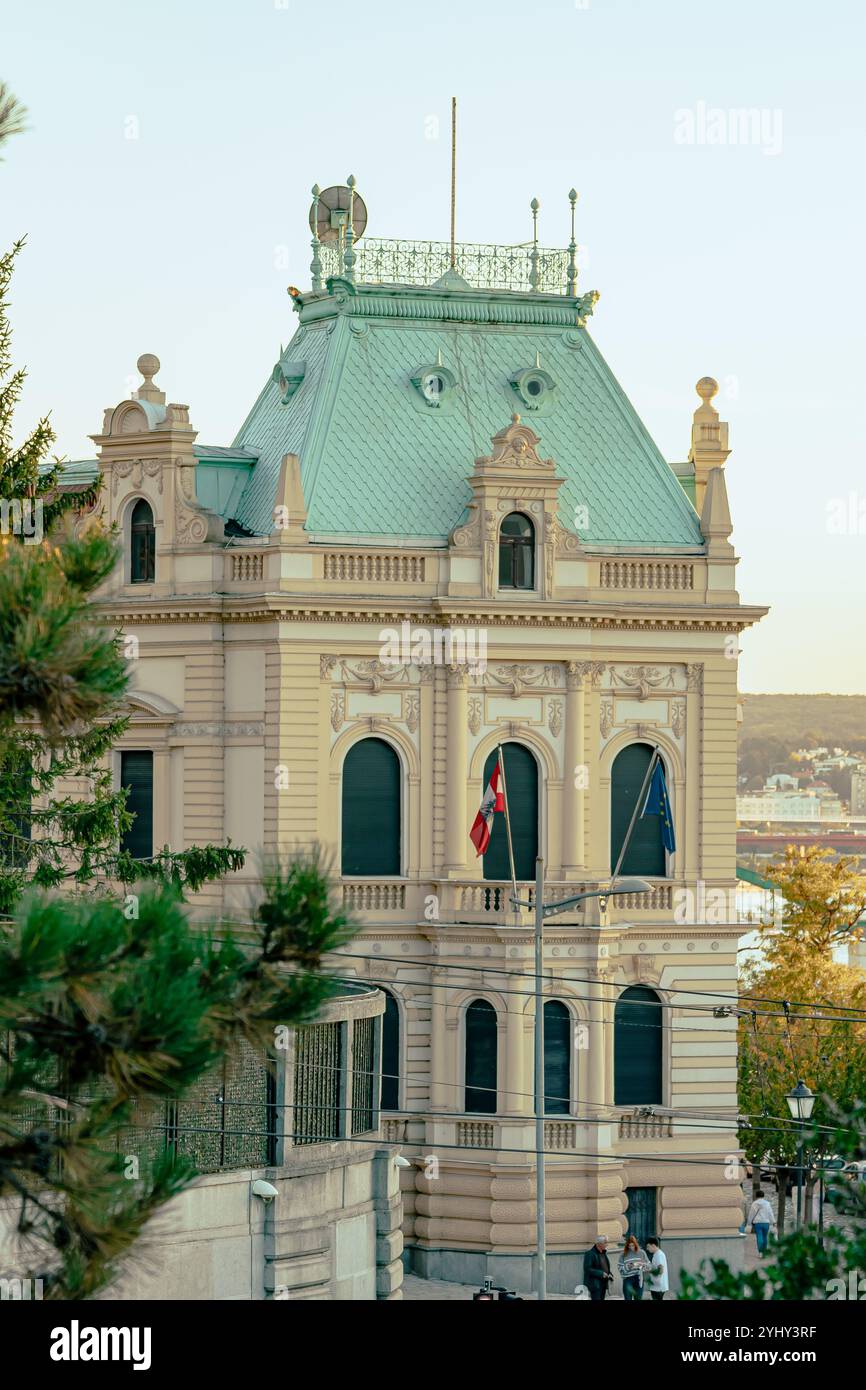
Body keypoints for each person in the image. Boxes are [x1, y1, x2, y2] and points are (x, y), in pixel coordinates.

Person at [618, 1234, 649, 1301]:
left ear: (636, 1244)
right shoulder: (623, 1254)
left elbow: (649, 1265)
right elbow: (620, 1269)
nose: (631, 1247)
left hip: (639, 1278)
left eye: (633, 1245)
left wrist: (642, 1264)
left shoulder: (642, 1253)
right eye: (629, 1246)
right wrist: (628, 1267)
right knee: (628, 1298)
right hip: (627, 1279)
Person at [583, 1235, 613, 1301]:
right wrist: (601, 1273)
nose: (607, 1245)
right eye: (605, 1243)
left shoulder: (603, 1253)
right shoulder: (590, 1254)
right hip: (595, 1284)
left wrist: (609, 1273)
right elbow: (587, 1268)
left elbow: (604, 1266)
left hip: (603, 1283)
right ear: (599, 1244)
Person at [747, 1188, 775, 1255]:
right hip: (766, 1223)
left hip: (758, 1223)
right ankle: (764, 1251)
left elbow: (751, 1214)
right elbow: (770, 1213)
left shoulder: (754, 1204)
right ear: (763, 1196)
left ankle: (760, 1252)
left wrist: (749, 1222)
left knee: (759, 1236)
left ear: (756, 1196)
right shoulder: (767, 1203)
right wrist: (773, 1221)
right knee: (765, 1237)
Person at [645, 1237, 668, 1301]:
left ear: (653, 1245)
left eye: (648, 1247)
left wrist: (648, 1270)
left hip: (658, 1287)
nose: (647, 1249)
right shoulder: (658, 1254)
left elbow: (660, 1270)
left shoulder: (659, 1255)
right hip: (657, 1286)